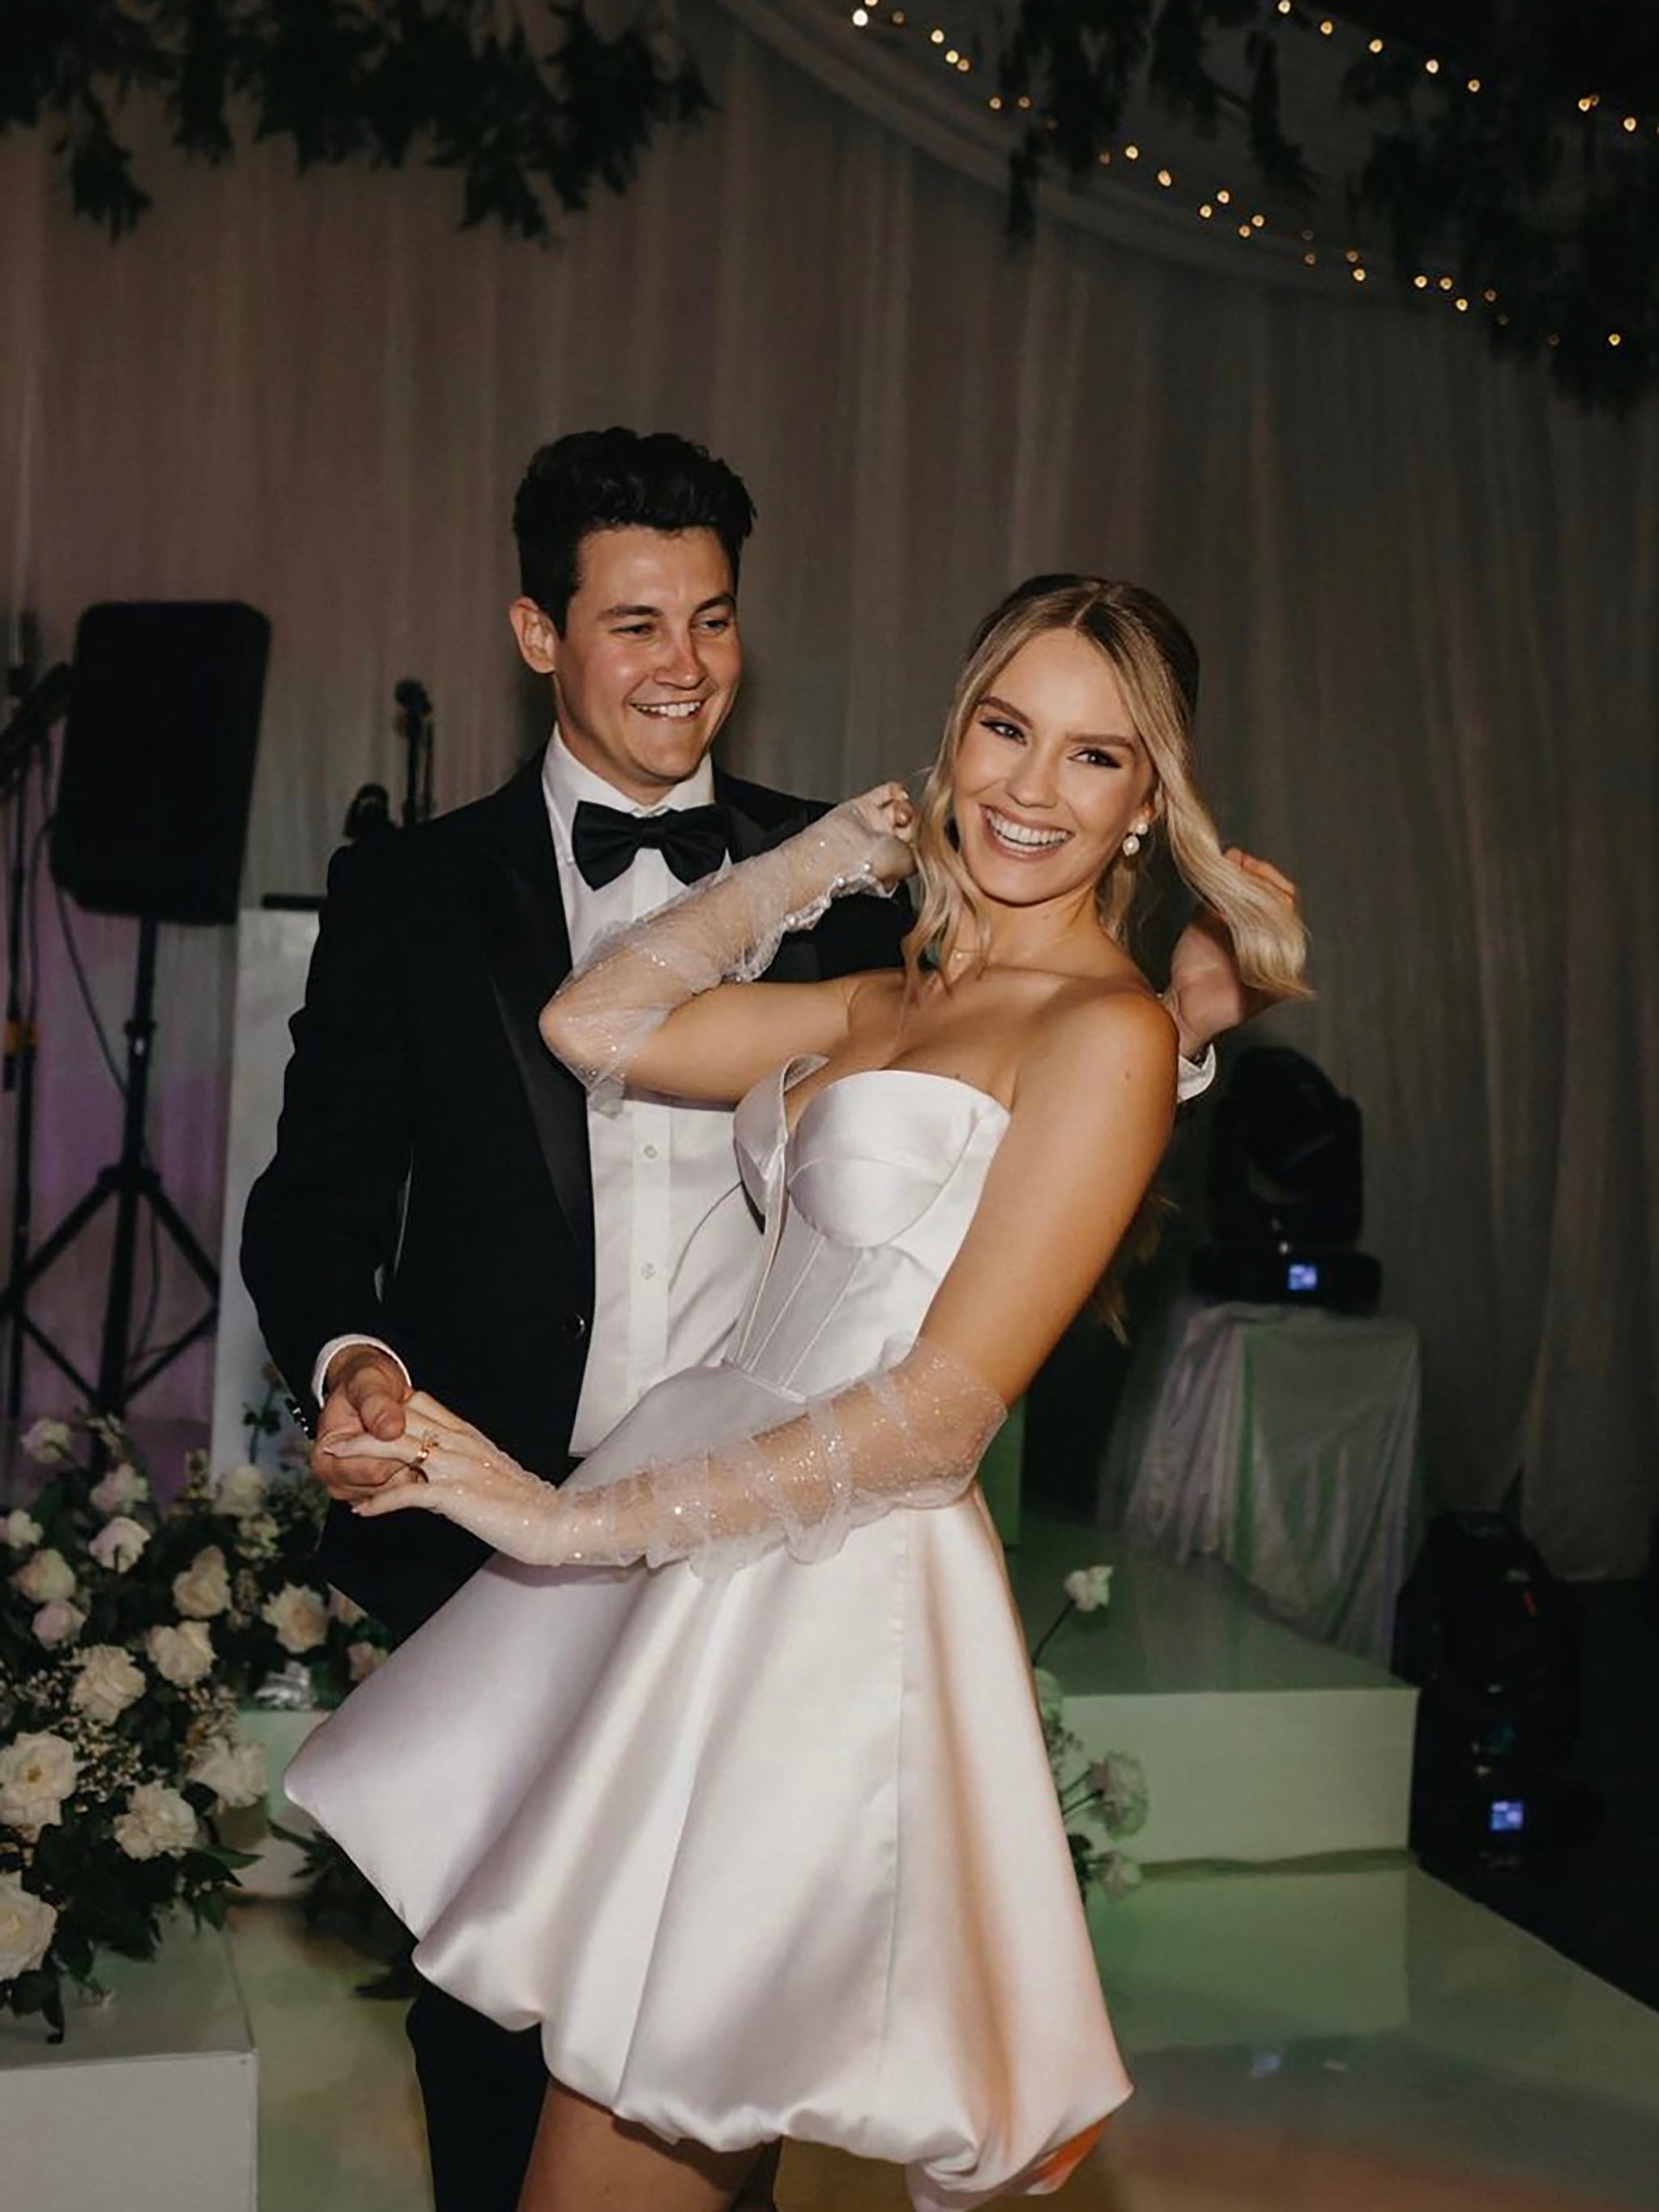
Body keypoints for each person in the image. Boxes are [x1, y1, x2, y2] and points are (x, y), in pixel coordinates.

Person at [243, 431, 1267, 2212]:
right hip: (661, 1563)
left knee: (655, 2120)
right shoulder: (877, 973)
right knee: (553, 2110)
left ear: (1143, 800)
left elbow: (938, 1411)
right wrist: (820, 862)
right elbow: (591, 1029)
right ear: (537, 631)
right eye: (1001, 729)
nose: (1029, 784)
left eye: (1093, 753)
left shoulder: (1089, 1028)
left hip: (812, 1591)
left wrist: (568, 1521)